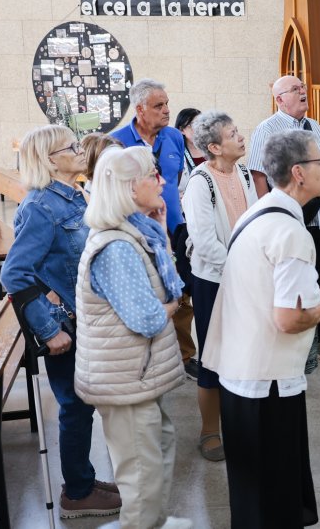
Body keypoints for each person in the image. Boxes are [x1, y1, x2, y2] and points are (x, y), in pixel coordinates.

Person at [203, 130, 320, 528]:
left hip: (239, 375)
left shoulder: (257, 213)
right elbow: (286, 319)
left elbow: (260, 287)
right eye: (319, 163)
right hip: (269, 385)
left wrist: (308, 295)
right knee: (277, 498)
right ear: (299, 173)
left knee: (251, 496)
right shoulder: (291, 232)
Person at [1, 125, 122, 519]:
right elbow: (16, 274)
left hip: (86, 319)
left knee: (83, 404)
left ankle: (82, 478)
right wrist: (49, 330)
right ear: (50, 160)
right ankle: (77, 493)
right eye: (71, 147)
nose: (79, 150)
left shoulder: (73, 196)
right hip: (65, 326)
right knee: (74, 407)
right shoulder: (40, 206)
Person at [74, 147, 190, 529]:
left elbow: (166, 283)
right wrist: (172, 309)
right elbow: (148, 316)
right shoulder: (117, 248)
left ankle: (154, 523)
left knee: (157, 452)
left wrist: (163, 223)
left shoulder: (138, 232)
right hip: (125, 376)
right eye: (151, 175)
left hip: (136, 373)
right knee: (141, 472)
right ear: (127, 187)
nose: (161, 180)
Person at [247, 74, 320, 371]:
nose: (303, 91)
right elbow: (258, 175)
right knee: (287, 283)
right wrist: (272, 218)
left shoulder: (314, 127)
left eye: (302, 87)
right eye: (295, 89)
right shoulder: (266, 130)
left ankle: (315, 340)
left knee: (314, 279)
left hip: (318, 220)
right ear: (280, 99)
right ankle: (289, 340)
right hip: (288, 217)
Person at [182, 110, 258, 462]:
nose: (241, 137)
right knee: (213, 358)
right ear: (214, 147)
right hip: (213, 280)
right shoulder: (200, 181)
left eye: (238, 130)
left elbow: (254, 221)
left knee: (243, 355)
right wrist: (239, 267)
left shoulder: (242, 172)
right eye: (233, 134)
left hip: (245, 277)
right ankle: (210, 431)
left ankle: (241, 425)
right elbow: (204, 240)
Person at [111, 78, 198, 379]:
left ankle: (185, 356)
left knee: (182, 294)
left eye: (167, 104)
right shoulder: (117, 142)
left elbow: (178, 182)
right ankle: (151, 357)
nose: (166, 110)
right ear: (139, 109)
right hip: (139, 235)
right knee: (150, 294)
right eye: (158, 106)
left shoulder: (174, 138)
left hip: (175, 229)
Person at [175, 107, 205, 195]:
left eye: (202, 124)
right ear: (181, 130)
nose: (199, 129)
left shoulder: (212, 150)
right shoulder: (176, 154)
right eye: (194, 125)